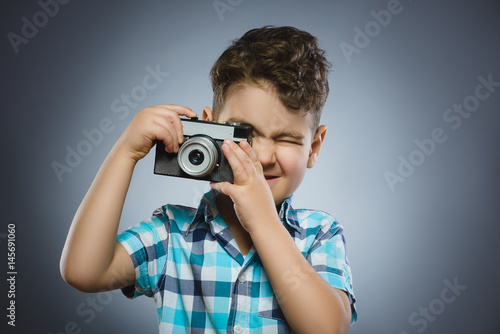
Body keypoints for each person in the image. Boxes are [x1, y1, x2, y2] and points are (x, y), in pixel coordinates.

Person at [60, 25, 357, 333]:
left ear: (314, 148)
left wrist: (263, 221)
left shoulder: (319, 234)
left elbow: (328, 328)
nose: (265, 156)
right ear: (208, 129)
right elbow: (84, 272)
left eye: (287, 139)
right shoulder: (172, 233)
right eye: (244, 133)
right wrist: (125, 153)